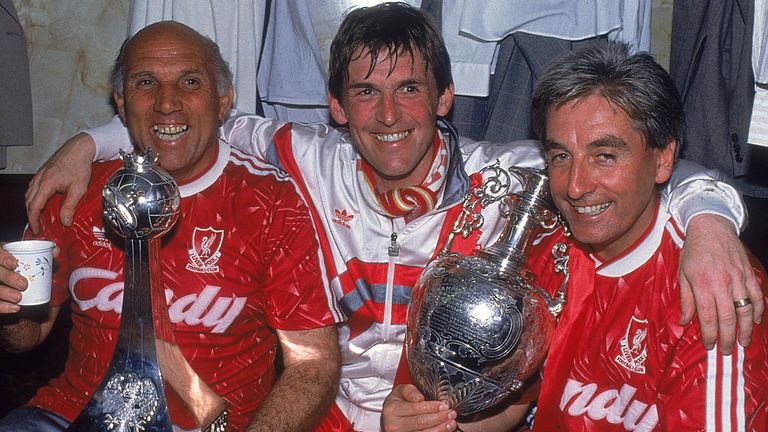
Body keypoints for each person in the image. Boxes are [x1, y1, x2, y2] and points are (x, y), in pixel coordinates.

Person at [13, 3, 764, 430]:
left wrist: (709, 221)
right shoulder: (304, 155)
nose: (390, 115)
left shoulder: (510, 173)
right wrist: (91, 139)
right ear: (335, 107)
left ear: (444, 97)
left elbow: (636, 163)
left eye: (410, 89)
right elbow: (190, 118)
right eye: (365, 93)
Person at [382, 42, 768, 432]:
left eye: (605, 156)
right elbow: (522, 393)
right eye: (561, 156)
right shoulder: (550, 245)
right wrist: (436, 422)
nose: (576, 187)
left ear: (663, 158)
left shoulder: (710, 287)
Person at [0, 21, 341, 432]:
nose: (166, 103)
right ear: (122, 103)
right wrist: (7, 309)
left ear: (224, 100)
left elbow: (314, 363)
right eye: (146, 82)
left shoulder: (271, 203)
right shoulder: (76, 190)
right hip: (70, 414)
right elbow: (28, 336)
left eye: (190, 81)